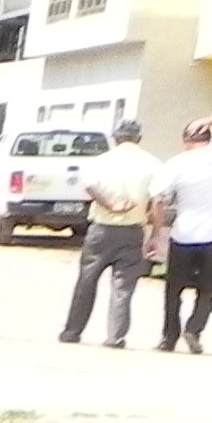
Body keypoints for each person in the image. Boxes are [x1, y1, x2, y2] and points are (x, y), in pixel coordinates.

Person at [60, 118, 164, 348]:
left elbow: (89, 186)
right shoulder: (153, 163)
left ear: (115, 138)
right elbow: (158, 202)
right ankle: (115, 337)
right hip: (132, 231)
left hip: (101, 230)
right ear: (139, 138)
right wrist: (155, 234)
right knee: (123, 286)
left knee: (86, 281)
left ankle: (72, 331)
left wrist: (110, 205)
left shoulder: (101, 161)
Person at [157, 115, 212, 353]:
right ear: (210, 136)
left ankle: (168, 338)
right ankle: (194, 329)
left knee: (174, 289)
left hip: (183, 234)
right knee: (208, 288)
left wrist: (155, 233)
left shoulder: (175, 164)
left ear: (185, 140)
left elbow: (160, 199)